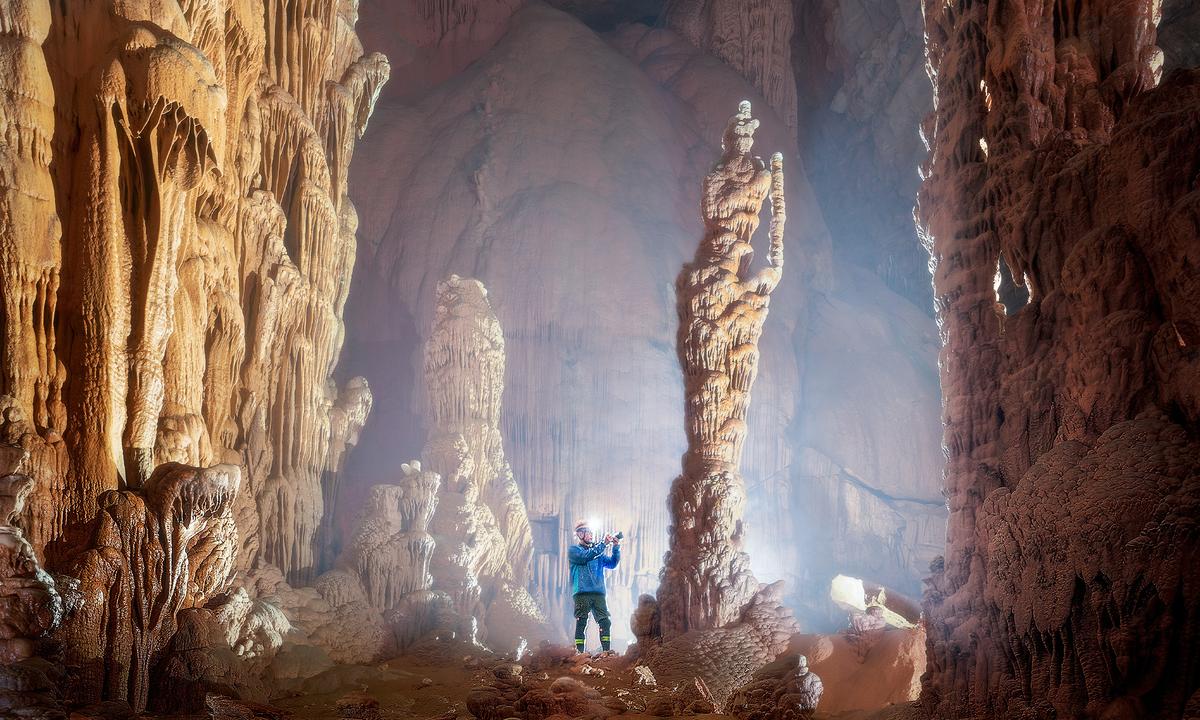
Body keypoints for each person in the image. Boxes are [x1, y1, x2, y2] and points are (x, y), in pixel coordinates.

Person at [568, 520, 620, 654]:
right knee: (582, 622)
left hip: (598, 593)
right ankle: (579, 653)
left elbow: (613, 564)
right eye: (588, 532)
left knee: (605, 622)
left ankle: (606, 652)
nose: (591, 534)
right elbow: (586, 557)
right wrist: (603, 544)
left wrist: (615, 548)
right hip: (582, 592)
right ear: (580, 534)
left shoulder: (598, 553)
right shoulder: (574, 551)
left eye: (591, 532)